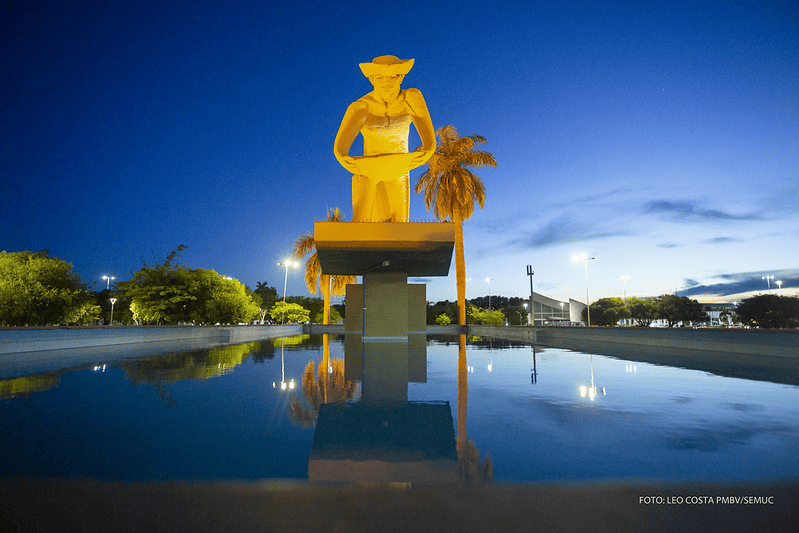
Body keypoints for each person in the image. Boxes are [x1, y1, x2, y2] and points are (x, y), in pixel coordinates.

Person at [334, 55, 436, 222]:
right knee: (361, 221)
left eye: (393, 76)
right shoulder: (361, 107)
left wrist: (425, 154)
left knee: (399, 225)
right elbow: (340, 149)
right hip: (368, 171)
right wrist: (346, 161)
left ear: (401, 77)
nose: (387, 82)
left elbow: (430, 143)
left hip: (399, 168)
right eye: (380, 77)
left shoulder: (411, 99)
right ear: (372, 79)